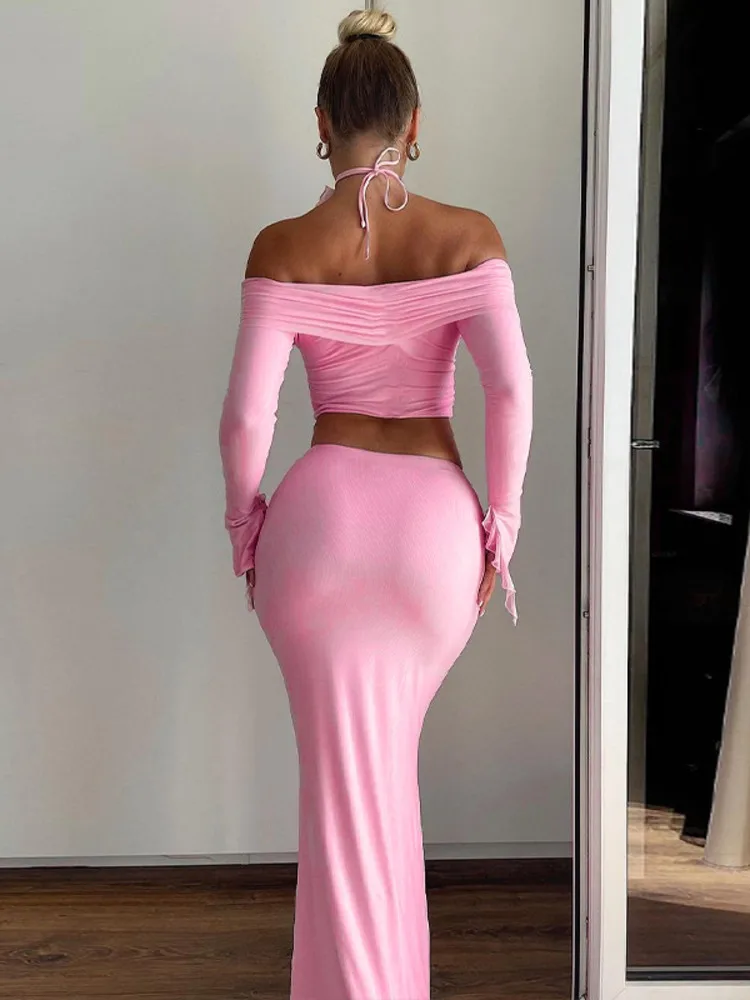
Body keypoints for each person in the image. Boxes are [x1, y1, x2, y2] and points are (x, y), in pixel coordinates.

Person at [218, 7, 533, 999]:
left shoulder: (282, 246)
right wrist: (501, 527)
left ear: (322, 121)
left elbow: (247, 416)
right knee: (381, 779)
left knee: (342, 792)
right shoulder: (467, 236)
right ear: (415, 122)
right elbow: (512, 391)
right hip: (431, 535)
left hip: (318, 530)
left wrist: (246, 526)